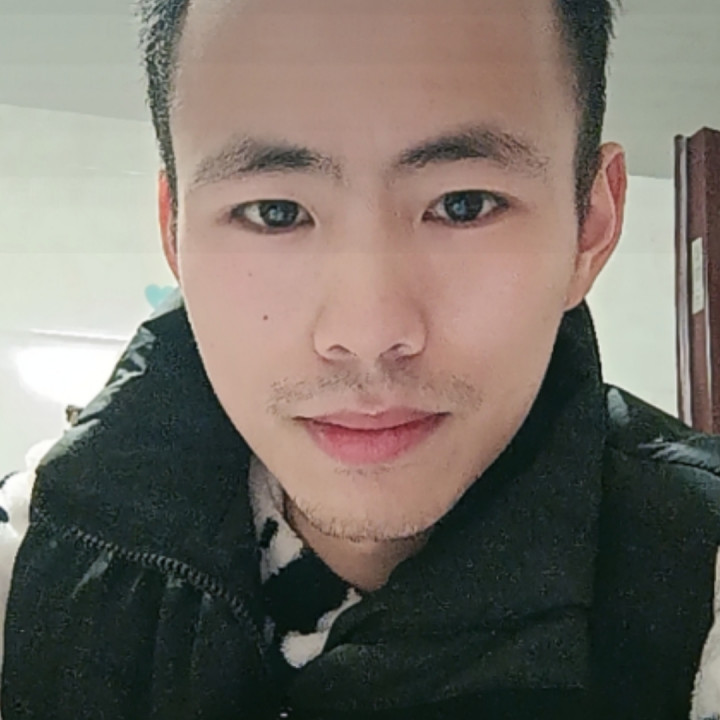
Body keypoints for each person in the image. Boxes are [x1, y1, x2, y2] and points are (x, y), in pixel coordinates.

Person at [2, 0, 720, 717]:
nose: (368, 330)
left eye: (465, 204)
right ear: (175, 234)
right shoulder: (34, 567)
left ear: (591, 226)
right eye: (276, 212)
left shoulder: (700, 588)